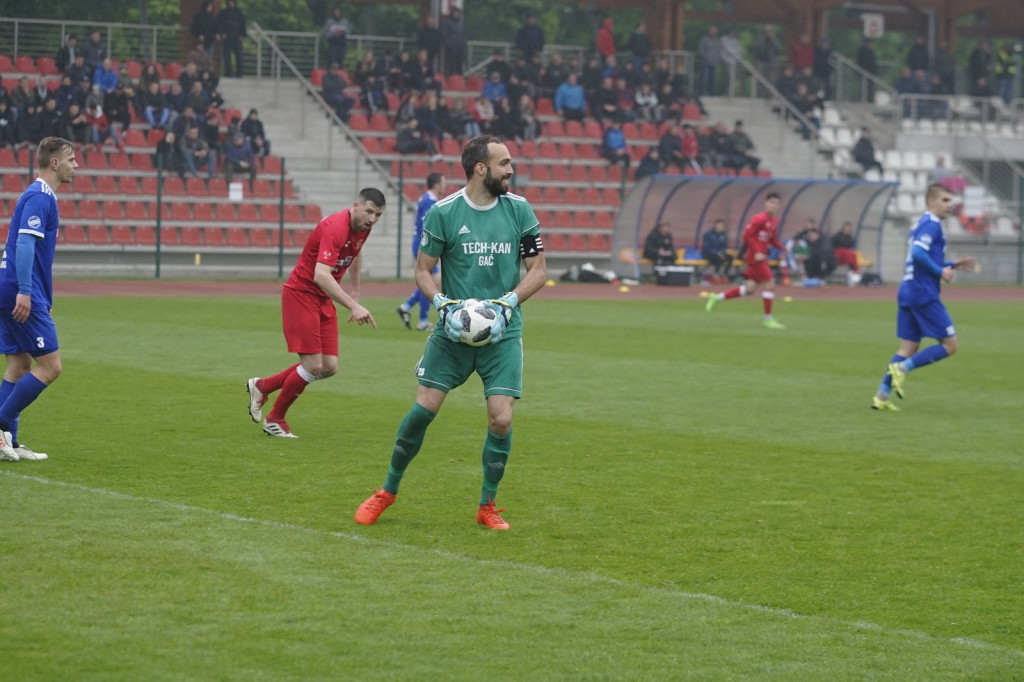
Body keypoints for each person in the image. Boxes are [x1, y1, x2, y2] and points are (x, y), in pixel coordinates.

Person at [354, 135, 547, 531]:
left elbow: (538, 271)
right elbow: (423, 269)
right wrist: (442, 305)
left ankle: (487, 505)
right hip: (452, 329)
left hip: (503, 332)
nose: (511, 170)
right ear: (481, 168)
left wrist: (507, 303)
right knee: (423, 410)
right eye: (504, 163)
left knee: (501, 420)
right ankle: (386, 491)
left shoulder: (520, 210)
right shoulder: (443, 212)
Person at [246, 188, 385, 437]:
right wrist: (353, 305)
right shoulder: (336, 227)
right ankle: (275, 419)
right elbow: (321, 275)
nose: (372, 219)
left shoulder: (363, 227)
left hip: (322, 299)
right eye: (369, 212)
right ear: (356, 205)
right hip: (302, 295)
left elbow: (357, 251)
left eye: (378, 215)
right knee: (312, 365)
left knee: (329, 366)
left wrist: (356, 290)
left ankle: (263, 386)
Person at [0, 137, 79, 461]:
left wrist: (41, 295)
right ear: (55, 163)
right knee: (51, 367)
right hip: (18, 288)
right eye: (72, 159)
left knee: (20, 364)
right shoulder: (39, 196)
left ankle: (10, 442)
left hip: (13, 287)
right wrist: (27, 292)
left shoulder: (42, 197)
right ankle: (1, 425)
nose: (77, 165)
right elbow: (24, 245)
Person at [871, 184, 975, 412]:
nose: (950, 205)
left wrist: (950, 264)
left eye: (950, 201)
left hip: (908, 290)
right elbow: (918, 254)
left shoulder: (921, 224)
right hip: (923, 294)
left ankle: (881, 396)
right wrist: (941, 272)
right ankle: (902, 370)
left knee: (907, 347)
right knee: (950, 344)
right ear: (931, 202)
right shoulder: (931, 224)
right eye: (945, 200)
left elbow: (918, 256)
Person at [705, 193, 788, 329]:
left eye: (777, 203)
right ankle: (768, 319)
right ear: (765, 203)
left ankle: (716, 297)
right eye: (772, 202)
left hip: (760, 256)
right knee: (770, 284)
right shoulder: (758, 218)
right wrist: (757, 252)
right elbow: (747, 235)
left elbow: (771, 239)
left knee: (750, 289)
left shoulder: (774, 221)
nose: (774, 205)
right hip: (755, 257)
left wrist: (781, 247)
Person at [397, 173, 446, 332]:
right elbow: (428, 226)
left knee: (433, 281)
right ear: (437, 184)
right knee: (432, 281)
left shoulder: (426, 199)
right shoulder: (429, 202)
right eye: (443, 182)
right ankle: (422, 321)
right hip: (424, 245)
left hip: (420, 243)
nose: (445, 185)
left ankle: (407, 306)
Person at [218, 0, 247, 78]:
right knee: (227, 56)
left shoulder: (239, 13)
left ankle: (239, 74)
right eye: (229, 2)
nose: (231, 4)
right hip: (227, 38)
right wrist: (222, 33)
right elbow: (219, 24)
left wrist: (242, 35)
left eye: (232, 2)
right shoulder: (223, 13)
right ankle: (229, 73)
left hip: (237, 38)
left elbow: (243, 25)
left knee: (239, 56)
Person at [441, 7, 466, 76]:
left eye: (458, 13)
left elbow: (463, 34)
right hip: (451, 48)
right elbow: (444, 35)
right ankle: (450, 79)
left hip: (460, 48)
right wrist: (449, 44)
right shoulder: (447, 22)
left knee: (459, 65)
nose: (457, 15)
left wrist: (463, 43)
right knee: (451, 65)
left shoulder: (461, 23)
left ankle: (460, 80)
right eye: (455, 13)